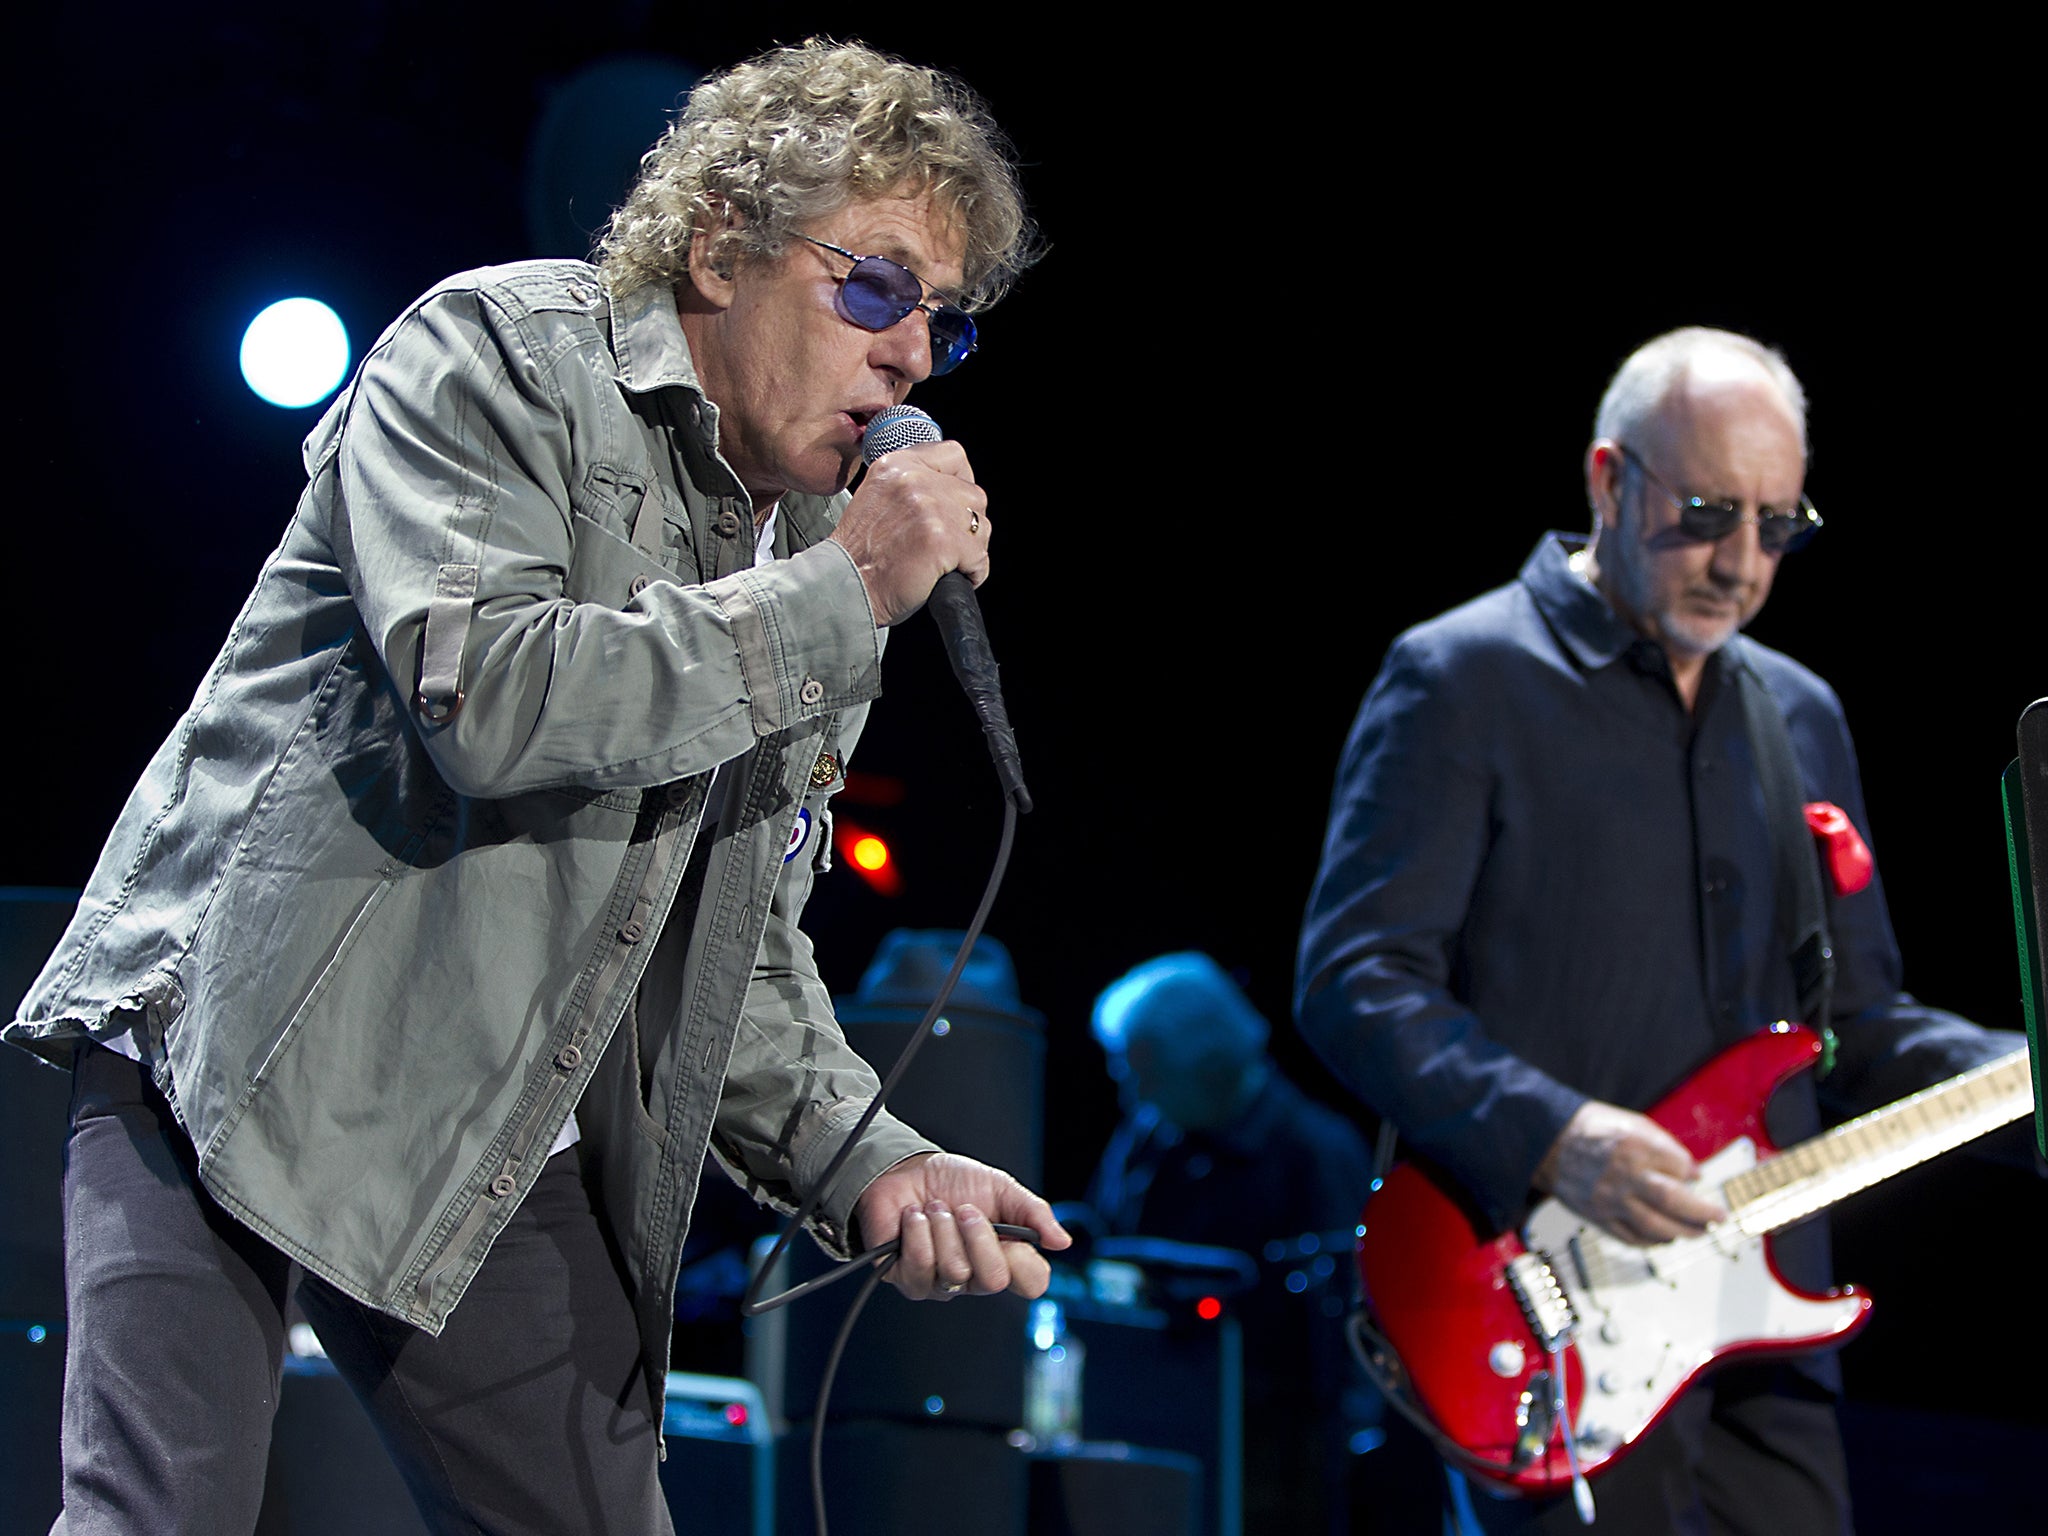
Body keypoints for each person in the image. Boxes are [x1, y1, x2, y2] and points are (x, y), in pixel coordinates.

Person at [7, 39, 1068, 1534]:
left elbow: (732, 946)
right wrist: (838, 596)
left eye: (939, 326)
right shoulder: (496, 353)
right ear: (722, 244)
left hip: (494, 1128)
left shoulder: (819, 545)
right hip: (243, 1048)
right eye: (876, 288)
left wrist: (870, 1159)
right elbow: (489, 696)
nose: (907, 354)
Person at [1294, 327, 2023, 1535]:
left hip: (1758, 1328)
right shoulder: (1458, 676)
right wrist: (1557, 1138)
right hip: (1542, 1318)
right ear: (1604, 480)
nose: (1739, 564)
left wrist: (2021, 1075)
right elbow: (1352, 978)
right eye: (1703, 513)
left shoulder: (1798, 714)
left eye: (1777, 526)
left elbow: (1857, 1023)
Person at [1087, 953, 1373, 1536]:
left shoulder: (1318, 1154)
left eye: (1142, 1073)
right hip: (1155, 1421)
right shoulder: (1150, 1143)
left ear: (1204, 1064)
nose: (1129, 1094)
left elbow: (1353, 1335)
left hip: (1280, 1459)